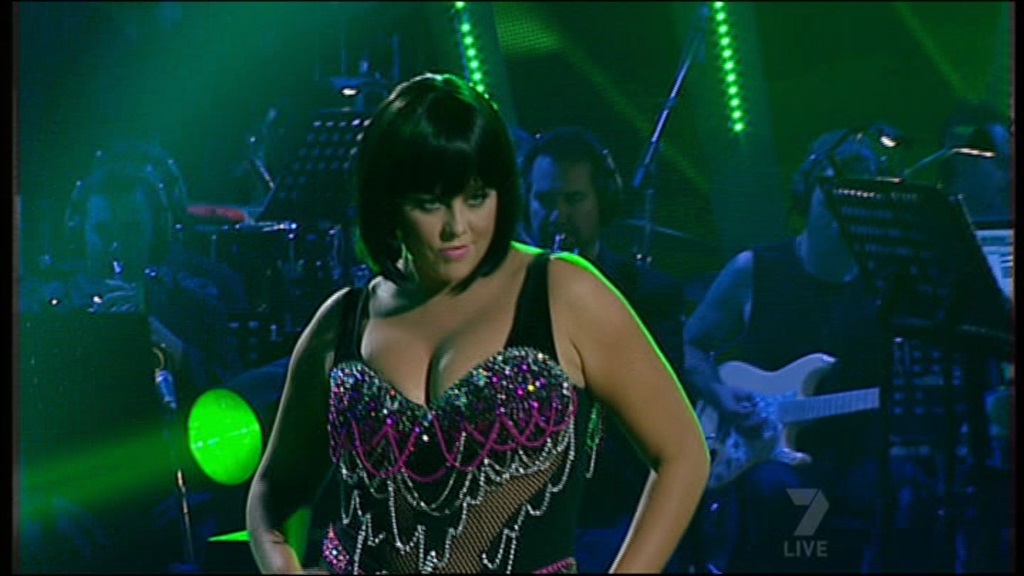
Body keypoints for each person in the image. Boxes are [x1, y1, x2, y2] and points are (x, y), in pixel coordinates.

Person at [246, 72, 710, 574]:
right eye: (429, 203)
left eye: (475, 197)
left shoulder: (564, 293)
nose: (457, 227)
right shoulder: (343, 321)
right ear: (387, 201)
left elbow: (683, 455)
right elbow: (272, 492)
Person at [681, 126, 907, 573]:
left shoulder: (888, 287)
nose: (842, 211)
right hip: (771, 462)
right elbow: (691, 344)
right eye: (833, 194)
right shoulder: (754, 270)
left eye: (856, 199)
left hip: (854, 459)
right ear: (807, 195)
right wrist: (720, 394)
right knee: (791, 510)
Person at [518, 126, 702, 572]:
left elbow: (660, 426)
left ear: (603, 201)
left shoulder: (648, 294)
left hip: (611, 506)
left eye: (573, 199)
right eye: (544, 200)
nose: (558, 215)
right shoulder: (497, 296)